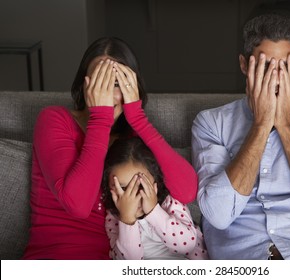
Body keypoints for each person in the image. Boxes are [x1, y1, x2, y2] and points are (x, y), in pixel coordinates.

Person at [191, 13, 290, 260]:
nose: (276, 78)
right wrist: (261, 125)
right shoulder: (211, 123)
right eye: (266, 66)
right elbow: (219, 215)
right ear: (245, 65)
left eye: (285, 66)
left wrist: (285, 127)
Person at [23, 37, 197, 260]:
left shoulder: (132, 141)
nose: (107, 93)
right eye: (99, 80)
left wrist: (139, 119)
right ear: (84, 84)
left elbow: (187, 191)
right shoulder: (54, 120)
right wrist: (100, 120)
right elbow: (78, 205)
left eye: (117, 83)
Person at [103, 137, 208, 260]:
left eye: (141, 185)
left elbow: (187, 245)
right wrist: (127, 219)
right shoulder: (114, 217)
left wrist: (153, 211)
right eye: (123, 188)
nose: (134, 197)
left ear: (155, 179)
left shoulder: (170, 202)